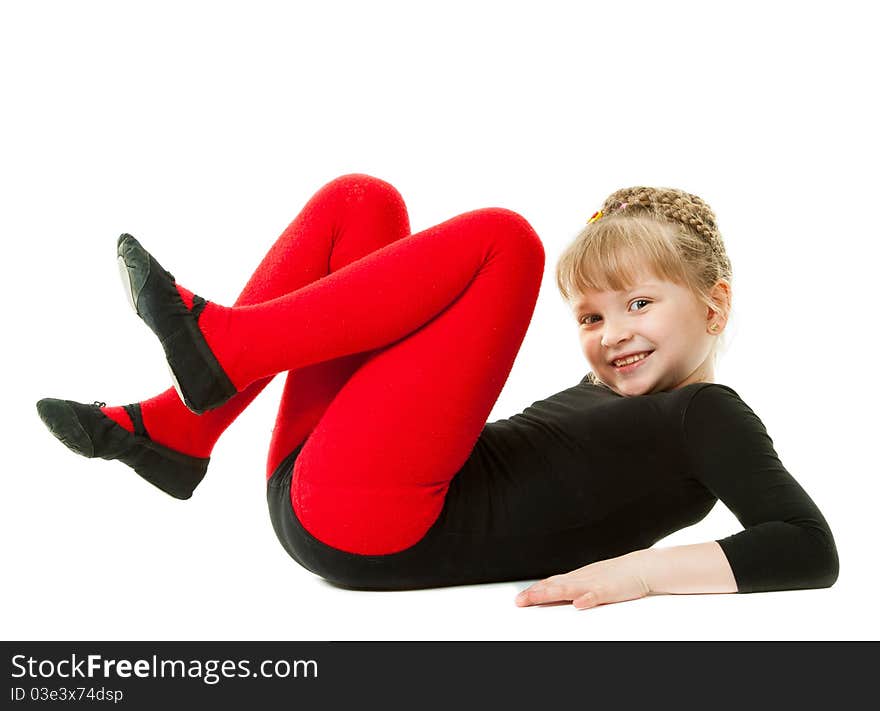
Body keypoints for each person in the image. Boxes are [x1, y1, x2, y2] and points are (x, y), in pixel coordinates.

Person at [36, 174, 839, 610]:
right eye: (591, 312)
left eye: (639, 303)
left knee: (506, 241)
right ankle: (183, 430)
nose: (611, 332)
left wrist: (641, 572)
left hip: (381, 524)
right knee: (362, 204)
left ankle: (221, 358)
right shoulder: (595, 395)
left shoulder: (706, 413)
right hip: (320, 486)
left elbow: (809, 546)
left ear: (714, 304)